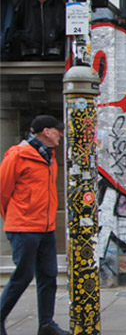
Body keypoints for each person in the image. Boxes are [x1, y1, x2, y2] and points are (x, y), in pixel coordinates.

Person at [0, 115, 69, 335]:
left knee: (49, 275)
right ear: (46, 131)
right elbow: (2, 191)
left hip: (46, 227)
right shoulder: (18, 155)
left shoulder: (49, 156)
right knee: (23, 277)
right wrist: (17, 217)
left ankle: (46, 324)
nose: (60, 134)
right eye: (58, 130)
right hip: (24, 228)